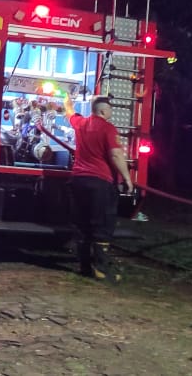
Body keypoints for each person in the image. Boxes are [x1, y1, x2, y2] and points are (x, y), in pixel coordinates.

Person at [63, 93, 133, 283]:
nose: (111, 111)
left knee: (82, 225)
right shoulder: (108, 129)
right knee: (101, 225)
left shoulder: (81, 123)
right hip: (99, 183)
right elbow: (116, 155)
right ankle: (102, 269)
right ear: (103, 111)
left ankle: (85, 267)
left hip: (78, 181)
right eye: (109, 108)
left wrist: (67, 101)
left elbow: (69, 113)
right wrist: (127, 178)